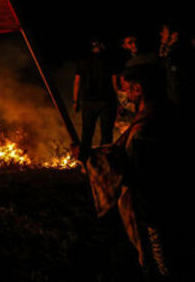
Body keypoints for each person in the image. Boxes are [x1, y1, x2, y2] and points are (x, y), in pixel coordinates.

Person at [77, 60, 187, 279]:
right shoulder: (166, 113)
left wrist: (90, 159)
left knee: (162, 264)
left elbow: (133, 170)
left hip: (154, 211)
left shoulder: (146, 128)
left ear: (138, 89)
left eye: (127, 90)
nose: (126, 96)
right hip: (170, 206)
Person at [73, 38, 119, 153]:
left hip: (89, 102)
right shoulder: (109, 60)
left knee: (87, 133)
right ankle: (104, 159)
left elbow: (77, 82)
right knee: (106, 134)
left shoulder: (83, 61)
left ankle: (84, 159)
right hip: (106, 101)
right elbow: (115, 83)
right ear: (102, 46)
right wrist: (120, 101)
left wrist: (75, 101)